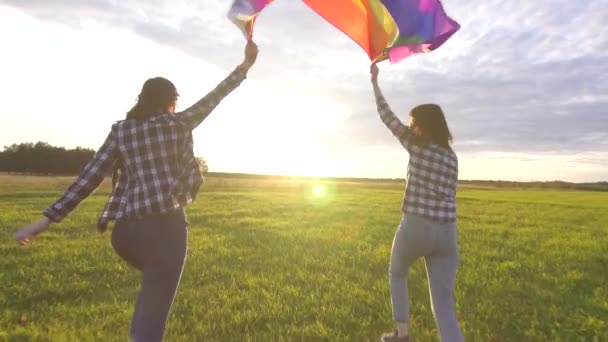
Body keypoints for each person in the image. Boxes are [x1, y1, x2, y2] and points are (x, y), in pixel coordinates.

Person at [14, 40, 259, 342]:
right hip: (165, 230)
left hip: (125, 236)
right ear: (171, 102)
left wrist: (47, 219)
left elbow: (90, 175)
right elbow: (218, 94)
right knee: (152, 316)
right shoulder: (178, 123)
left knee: (151, 296)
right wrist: (246, 64)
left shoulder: (122, 130)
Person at [370, 63, 463, 342]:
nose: (412, 128)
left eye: (414, 124)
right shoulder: (452, 156)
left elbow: (386, 116)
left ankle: (402, 334)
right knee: (444, 306)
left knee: (397, 272)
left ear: (423, 126)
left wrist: (375, 82)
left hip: (417, 227)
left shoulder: (417, 146)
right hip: (447, 234)